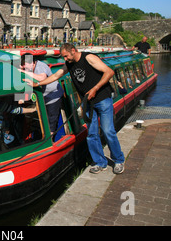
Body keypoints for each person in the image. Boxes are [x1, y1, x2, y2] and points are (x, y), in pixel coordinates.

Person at [24, 43, 125, 174]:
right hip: (87, 102)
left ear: (73, 50)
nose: (65, 59)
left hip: (102, 99)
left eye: (66, 56)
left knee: (107, 130)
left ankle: (118, 160)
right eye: (63, 57)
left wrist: (95, 88)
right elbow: (55, 76)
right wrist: (37, 84)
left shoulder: (89, 58)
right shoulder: (69, 64)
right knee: (92, 134)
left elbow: (109, 72)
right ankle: (100, 162)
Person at [19, 54, 64, 136]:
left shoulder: (40, 66)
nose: (24, 67)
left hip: (53, 97)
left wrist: (24, 71)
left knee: (51, 121)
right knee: (44, 120)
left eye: (25, 65)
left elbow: (42, 78)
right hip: (44, 97)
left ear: (32, 63)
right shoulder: (30, 68)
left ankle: (50, 140)